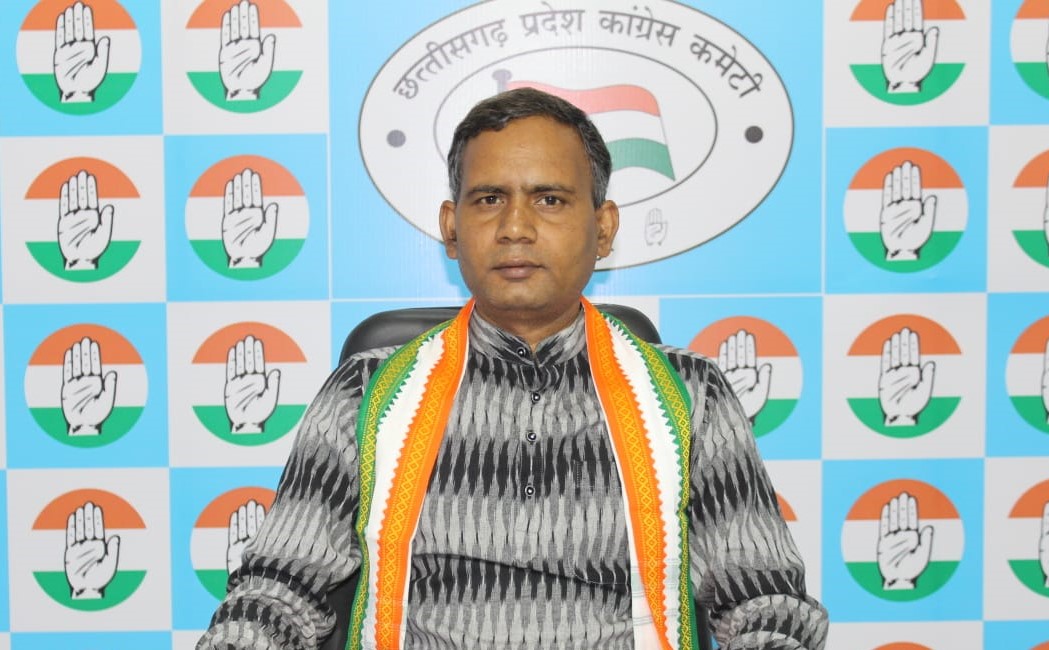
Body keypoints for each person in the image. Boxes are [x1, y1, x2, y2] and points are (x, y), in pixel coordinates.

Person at [198, 87, 828, 649]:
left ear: (603, 229)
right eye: (489, 199)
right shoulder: (364, 394)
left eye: (550, 199)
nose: (516, 228)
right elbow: (275, 596)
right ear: (452, 229)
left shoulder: (692, 395)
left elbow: (765, 605)